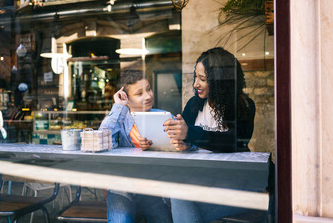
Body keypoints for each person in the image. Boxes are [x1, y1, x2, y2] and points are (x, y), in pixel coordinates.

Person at [163, 47, 256, 222]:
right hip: (201, 181)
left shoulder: (244, 105)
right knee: (177, 194)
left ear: (219, 81)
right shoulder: (194, 104)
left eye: (203, 79)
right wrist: (184, 143)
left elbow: (234, 142)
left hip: (235, 184)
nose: (195, 84)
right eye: (195, 77)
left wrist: (190, 133)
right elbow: (188, 139)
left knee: (183, 202)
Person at [99, 69, 173, 223]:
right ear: (126, 97)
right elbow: (101, 139)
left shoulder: (164, 117)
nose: (148, 96)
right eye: (139, 93)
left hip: (151, 190)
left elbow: (180, 149)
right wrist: (119, 106)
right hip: (121, 189)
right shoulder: (118, 119)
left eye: (149, 89)